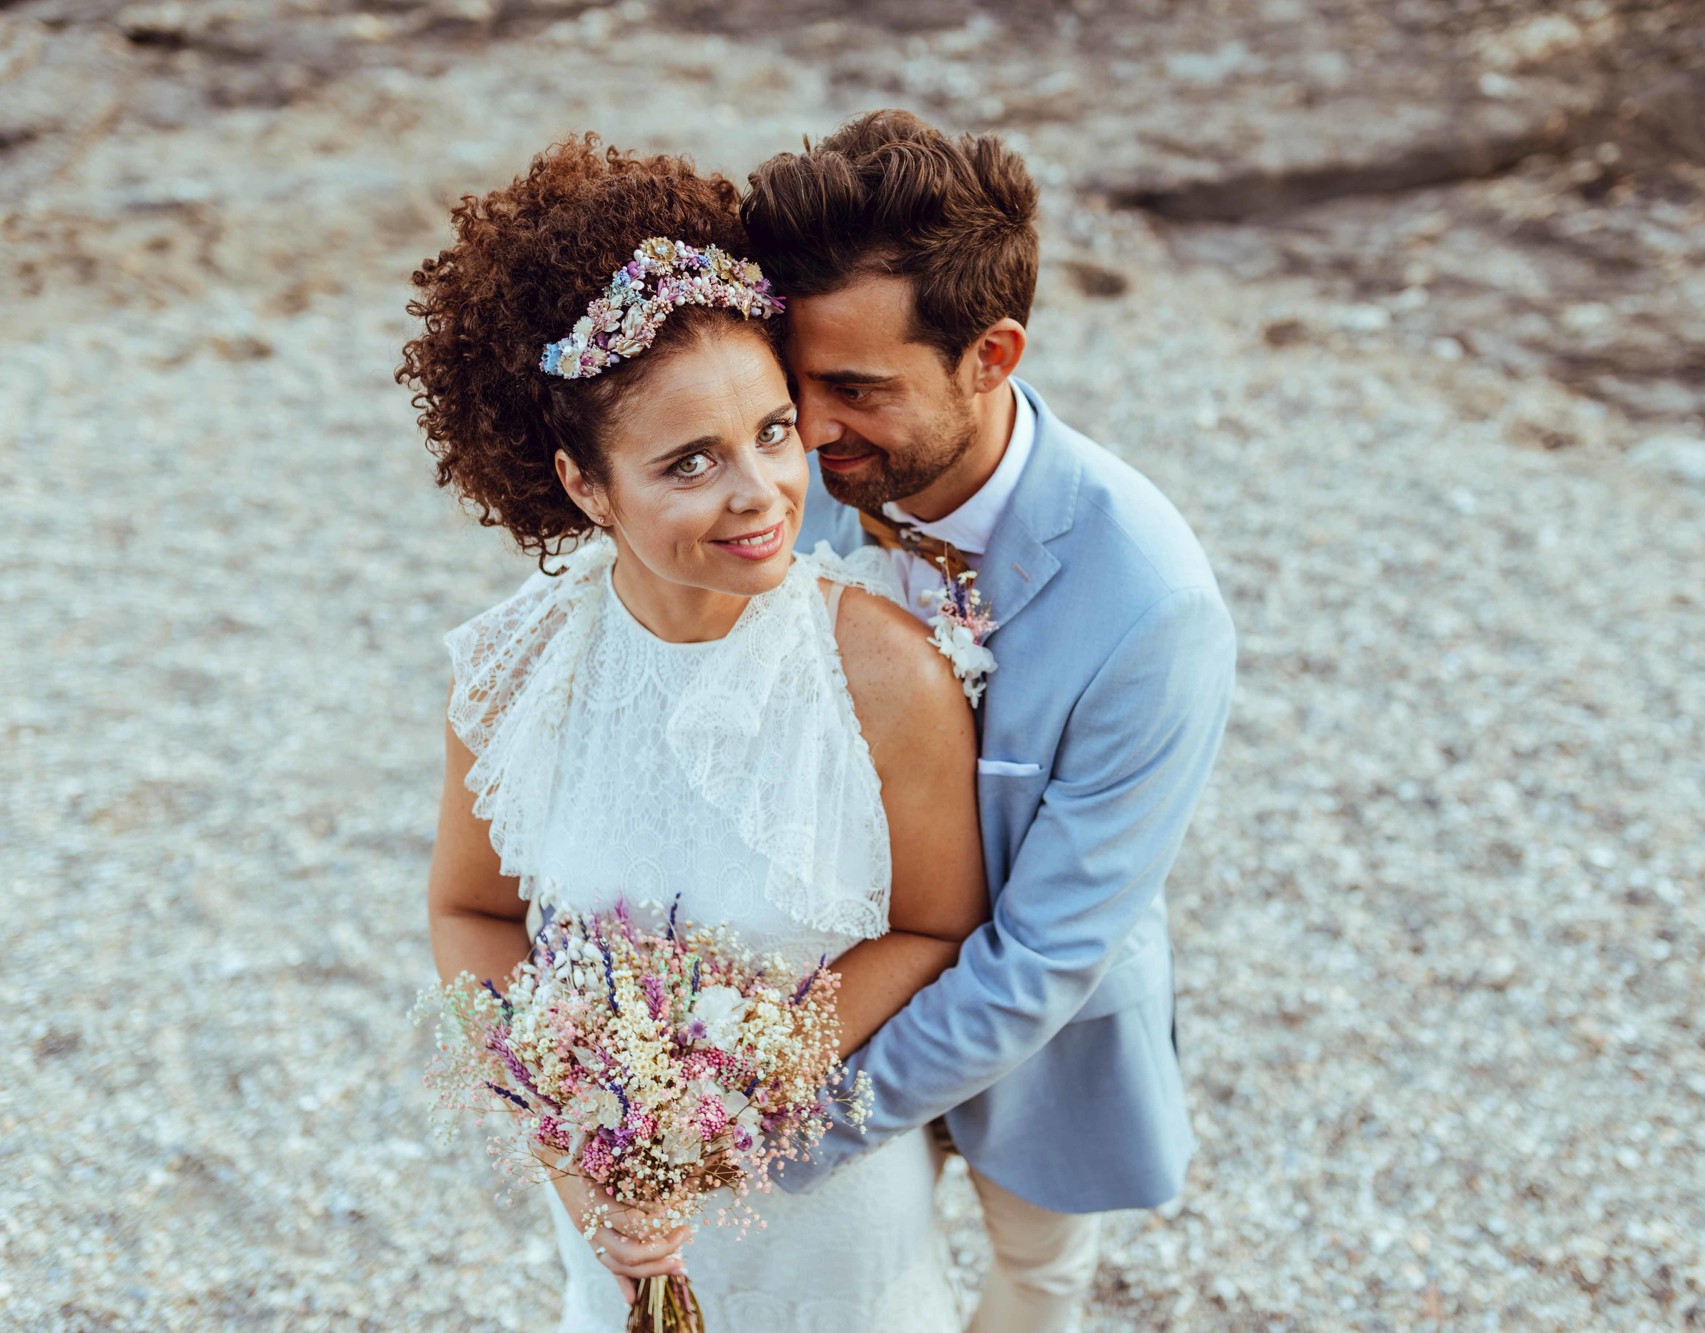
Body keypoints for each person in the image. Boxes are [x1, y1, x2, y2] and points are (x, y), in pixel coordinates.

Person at [402, 135, 987, 1332]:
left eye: (774, 432)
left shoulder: (884, 673)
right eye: (689, 463)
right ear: (582, 484)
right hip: (609, 1224)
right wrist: (573, 1136)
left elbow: (939, 922)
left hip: (826, 1212)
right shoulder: (511, 672)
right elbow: (469, 913)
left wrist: (716, 1095)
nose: (762, 494)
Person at [743, 110, 1236, 1333]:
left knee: (1035, 1280)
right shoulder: (791, 490)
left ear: (991, 353)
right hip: (820, 993)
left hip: (1040, 1039)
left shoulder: (1151, 602)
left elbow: (1047, 956)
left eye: (855, 388)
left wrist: (789, 1132)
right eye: (792, 383)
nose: (804, 433)